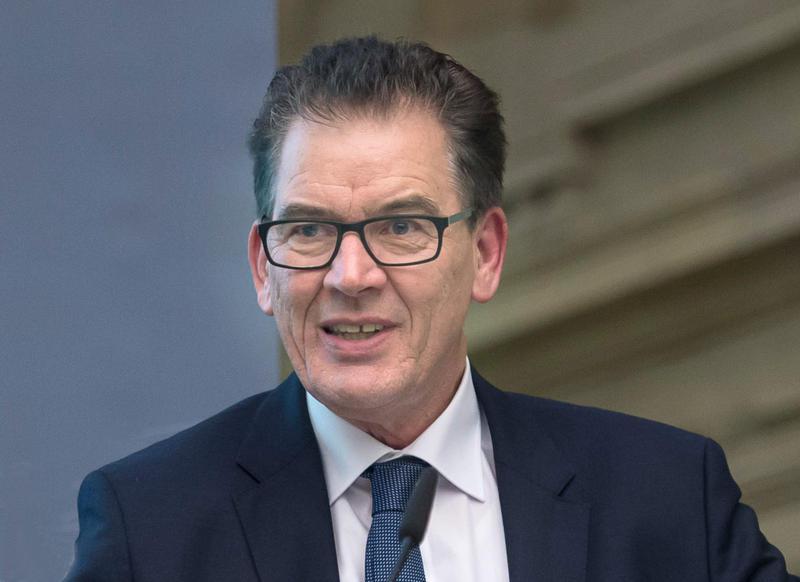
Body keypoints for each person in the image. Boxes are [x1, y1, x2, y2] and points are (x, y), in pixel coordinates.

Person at [66, 36, 797, 582]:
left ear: (485, 253)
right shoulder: (150, 529)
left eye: (401, 227)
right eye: (310, 230)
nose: (351, 275)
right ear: (263, 267)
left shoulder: (665, 498)